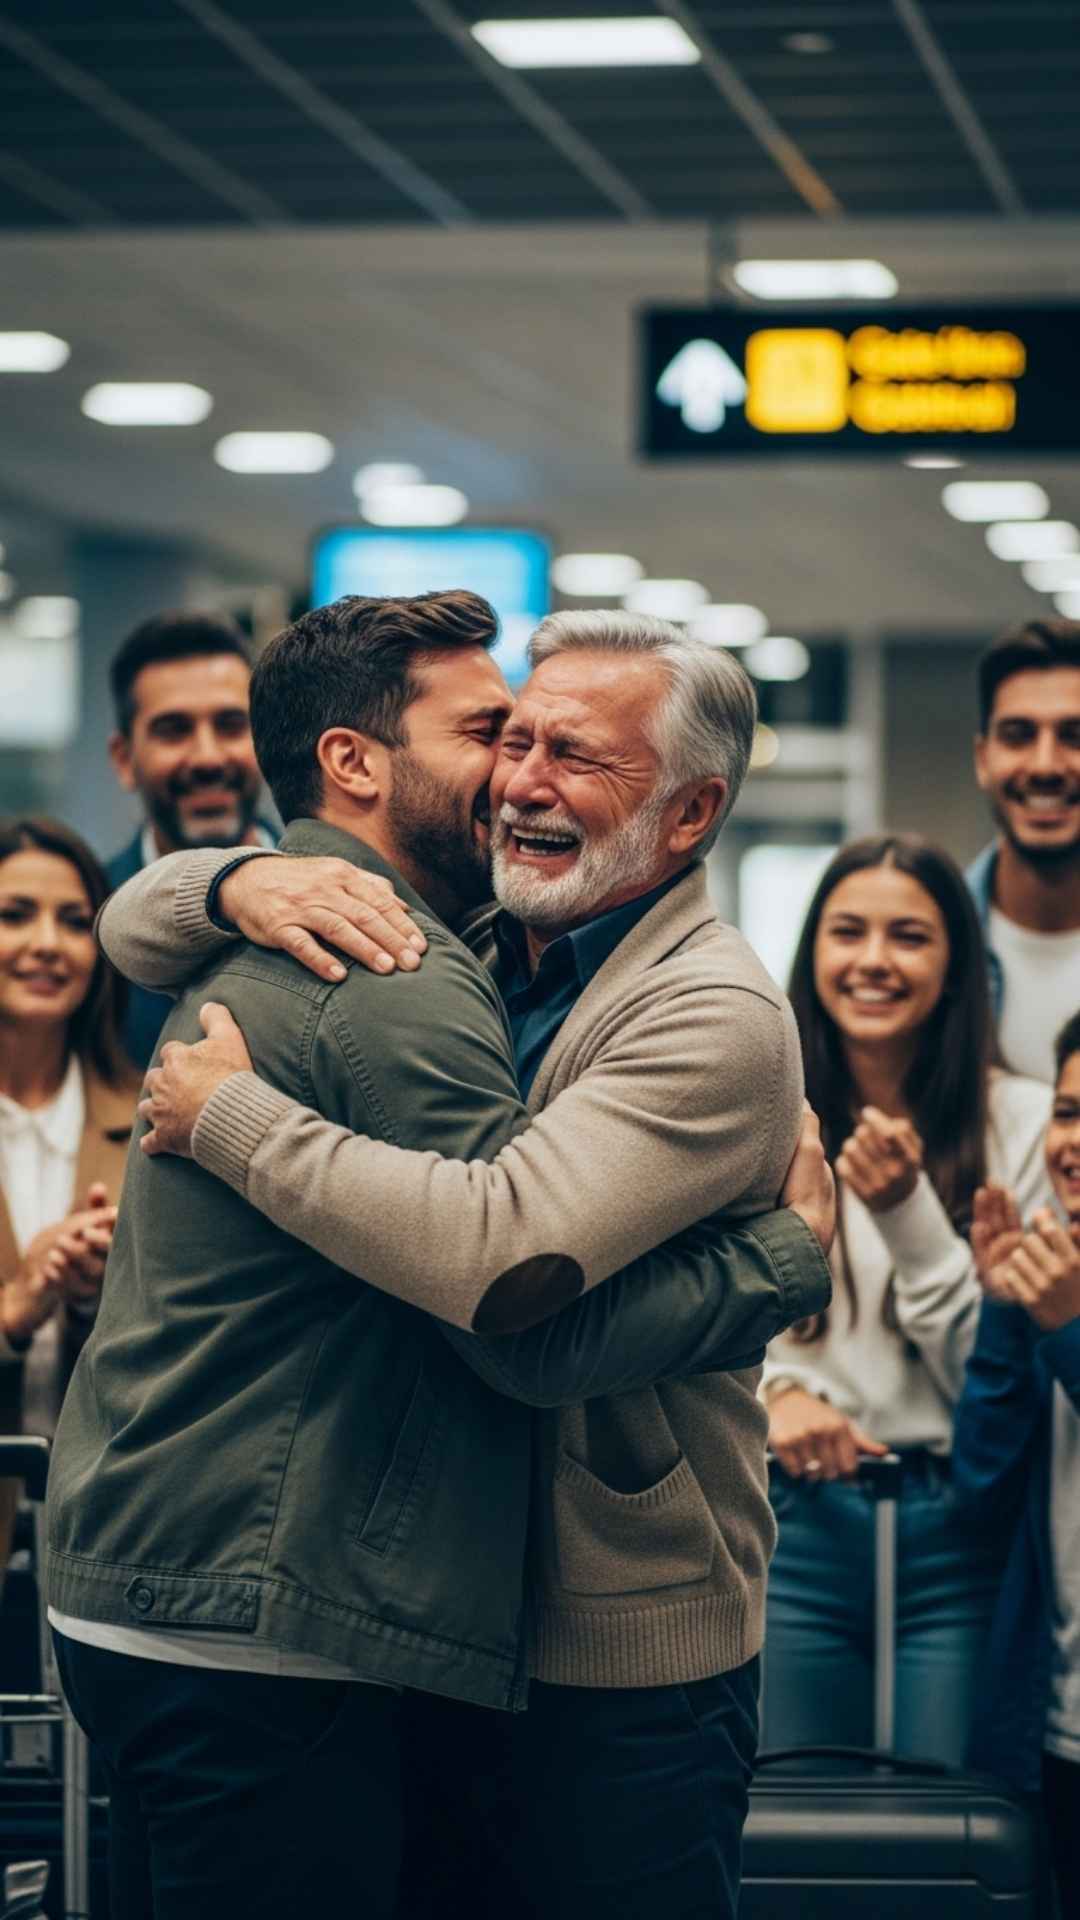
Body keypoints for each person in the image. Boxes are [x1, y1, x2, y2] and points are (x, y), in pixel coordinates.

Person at [48, 595, 832, 1920]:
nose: (517, 783)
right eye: (507, 737)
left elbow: (506, 1281)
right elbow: (131, 923)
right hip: (438, 1624)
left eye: (575, 757)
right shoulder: (456, 940)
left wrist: (235, 1120)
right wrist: (235, 875)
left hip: (622, 1653)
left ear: (690, 815)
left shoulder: (706, 1010)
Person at [759, 834, 1053, 1766]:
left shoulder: (1028, 1124)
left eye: (910, 937)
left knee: (955, 1820)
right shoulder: (759, 1114)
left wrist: (908, 1215)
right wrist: (774, 1396)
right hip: (792, 1521)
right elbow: (698, 1316)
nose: (875, 961)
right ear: (814, 956)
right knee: (789, 1821)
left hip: (956, 1530)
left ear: (957, 964)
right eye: (848, 932)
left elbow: (997, 1381)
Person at [953, 1010, 1080, 1915]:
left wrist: (1069, 1332)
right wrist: (1006, 1314)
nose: (1073, 1144)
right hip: (1053, 1722)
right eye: (1070, 1113)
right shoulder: (1054, 1269)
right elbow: (981, 1494)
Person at [0, 817, 138, 1572]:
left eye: (75, 921)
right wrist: (17, 1305)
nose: (47, 944)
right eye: (14, 915)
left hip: (102, 1543)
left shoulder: (160, 1114)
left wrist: (95, 1297)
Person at [105, 610, 276, 1066]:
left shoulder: (345, 893)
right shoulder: (77, 925)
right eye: (174, 729)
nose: (207, 756)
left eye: (230, 724)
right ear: (124, 759)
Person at [967, 617, 1080, 1084]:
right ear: (983, 759)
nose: (1045, 765)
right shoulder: (936, 946)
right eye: (1018, 734)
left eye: (1074, 736)